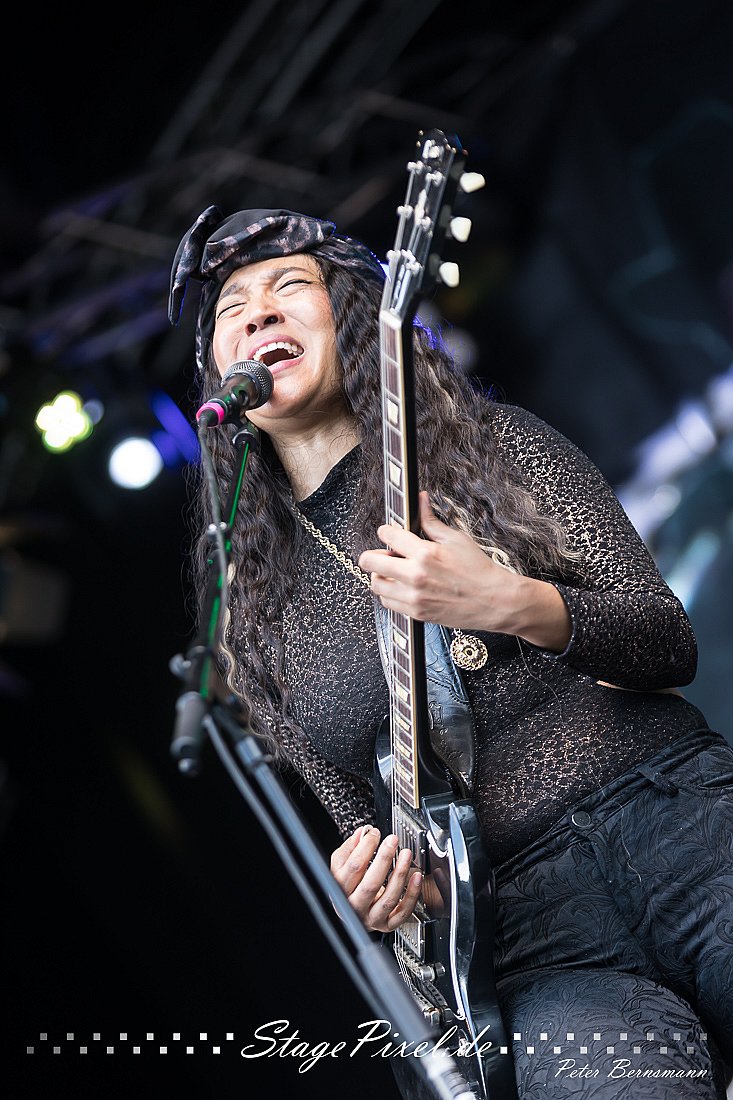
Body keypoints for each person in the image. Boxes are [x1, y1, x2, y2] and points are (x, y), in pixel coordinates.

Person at [168, 205, 733, 1098]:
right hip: (538, 948)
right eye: (231, 309)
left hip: (682, 827)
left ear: (356, 317)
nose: (257, 312)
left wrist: (513, 603)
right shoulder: (252, 616)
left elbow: (666, 641)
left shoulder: (496, 448)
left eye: (288, 286)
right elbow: (363, 818)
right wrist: (382, 892)